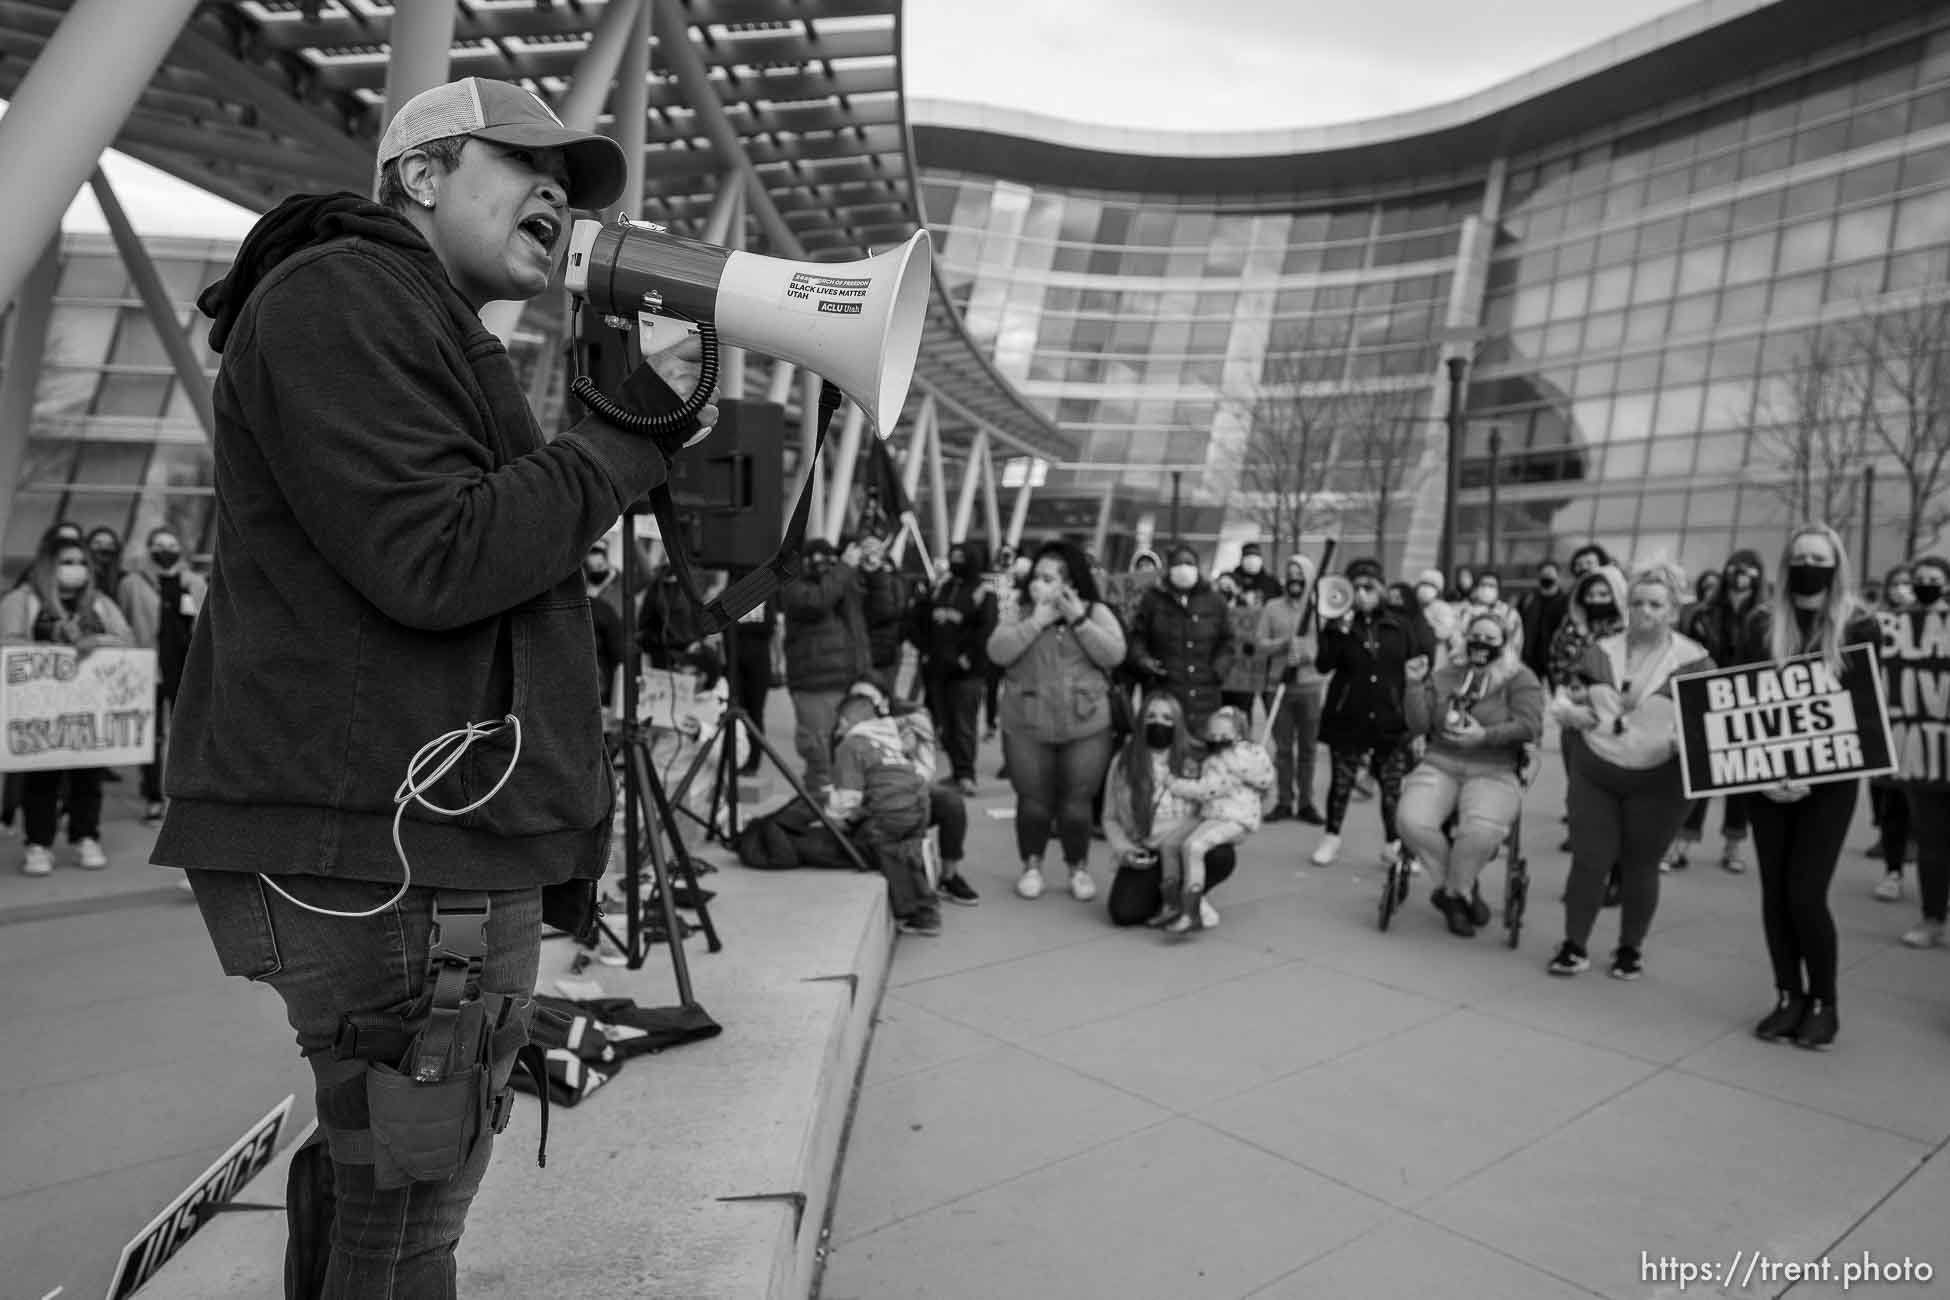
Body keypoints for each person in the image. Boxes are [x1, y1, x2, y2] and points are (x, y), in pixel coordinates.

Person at [151, 77, 703, 1296]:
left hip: (410, 837)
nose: (558, 195)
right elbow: (436, 557)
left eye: (572, 181)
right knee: (406, 1219)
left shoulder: (398, 311)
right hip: (396, 852)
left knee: (382, 1181)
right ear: (419, 174)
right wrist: (626, 439)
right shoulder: (345, 295)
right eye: (525, 164)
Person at [1744, 524, 1880, 1050]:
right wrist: (1767, 774)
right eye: (1799, 556)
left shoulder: (1860, 626)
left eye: (1818, 557)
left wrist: (1811, 775)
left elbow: (1865, 713)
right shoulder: (1762, 624)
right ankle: (1787, 995)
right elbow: (1740, 701)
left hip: (1829, 783)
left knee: (1805, 893)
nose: (1808, 564)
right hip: (1764, 781)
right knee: (1774, 894)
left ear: (1836, 564)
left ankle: (1824, 1000)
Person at [1547, 562, 1712, 980]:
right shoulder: (1601, 650)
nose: (1644, 612)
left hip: (1660, 778)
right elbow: (1572, 695)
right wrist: (1569, 713)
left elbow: (1710, 725)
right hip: (1596, 767)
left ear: (1673, 610)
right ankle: (1574, 944)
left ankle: (1630, 948)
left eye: (1655, 604)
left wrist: (1686, 741)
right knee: (1589, 859)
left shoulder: (1695, 660)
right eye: (1636, 602)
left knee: (1641, 863)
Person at [988, 540, 1127, 902]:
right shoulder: (1019, 611)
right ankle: (1031, 865)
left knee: (1076, 802)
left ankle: (1077, 867)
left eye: (1048, 578)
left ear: (1069, 582)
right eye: (1036, 576)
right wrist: (1037, 621)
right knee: (1033, 800)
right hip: (1027, 722)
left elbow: (1114, 654)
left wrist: (1078, 620)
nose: (1038, 584)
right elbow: (997, 651)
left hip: (1085, 723)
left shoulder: (1095, 611)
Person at [1398, 611, 1545, 938]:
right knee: (1410, 820)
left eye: (1491, 639)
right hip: (1441, 761)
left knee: (1481, 831)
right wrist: (1412, 685)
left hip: (1494, 767)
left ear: (1505, 643)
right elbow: (1420, 724)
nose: (1481, 644)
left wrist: (1486, 736)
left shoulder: (1520, 678)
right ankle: (1461, 890)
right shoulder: (1446, 674)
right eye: (1475, 636)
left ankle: (1451, 894)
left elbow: (1530, 726)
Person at [0, 530, 135, 874]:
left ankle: (86, 835)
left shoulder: (101, 604)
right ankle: (38, 844)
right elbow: (7, 644)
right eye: (66, 563)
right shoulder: (25, 600)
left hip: (88, 712)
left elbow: (126, 641)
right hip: (42, 712)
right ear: (48, 566)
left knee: (88, 778)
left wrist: (96, 641)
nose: (75, 569)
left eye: (80, 563)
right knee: (42, 779)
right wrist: (54, 646)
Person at [1311, 558, 1431, 867]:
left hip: (1389, 717)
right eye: (1357, 587)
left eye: (1369, 587)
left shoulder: (1398, 624)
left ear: (1379, 589)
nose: (1363, 593)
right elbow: (1324, 664)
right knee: (1341, 781)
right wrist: (1336, 629)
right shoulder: (1337, 623)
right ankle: (1331, 837)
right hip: (1348, 713)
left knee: (1392, 787)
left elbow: (1417, 658)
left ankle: (1395, 844)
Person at [1666, 548, 1768, 873]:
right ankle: (1680, 843)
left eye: (1750, 568)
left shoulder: (1767, 617)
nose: (1741, 574)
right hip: (1707, 698)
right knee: (1700, 774)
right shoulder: (1705, 614)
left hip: (1748, 701)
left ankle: (1733, 846)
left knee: (1740, 779)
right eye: (1736, 567)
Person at [1103, 691, 1237, 929]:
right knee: (1123, 913)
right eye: (1151, 716)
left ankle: (1190, 896)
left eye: (1167, 717)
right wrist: (1125, 850)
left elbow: (1222, 796)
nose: (1159, 723)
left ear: (1178, 722)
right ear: (1141, 720)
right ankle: (1169, 898)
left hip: (1187, 848)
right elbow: (1110, 817)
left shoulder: (1199, 759)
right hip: (1148, 850)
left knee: (1222, 856)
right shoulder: (1123, 761)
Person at [826, 692, 942, 936]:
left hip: (891, 812)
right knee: (904, 843)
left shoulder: (850, 745)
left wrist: (834, 818)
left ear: (845, 722)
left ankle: (919, 912)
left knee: (880, 847)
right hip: (919, 804)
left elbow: (849, 798)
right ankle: (918, 859)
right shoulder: (891, 738)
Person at [1149, 704, 1272, 934]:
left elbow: (1208, 789)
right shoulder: (1248, 756)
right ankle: (1171, 901)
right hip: (1217, 814)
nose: (1216, 738)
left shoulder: (1225, 761)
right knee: (1170, 844)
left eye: (1222, 735)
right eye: (1212, 734)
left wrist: (1173, 783)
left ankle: (1190, 910)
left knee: (1193, 846)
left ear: (1237, 734)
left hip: (1233, 818)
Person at [117, 525, 207, 824]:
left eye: (171, 543)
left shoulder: (194, 581)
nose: (166, 549)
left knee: (184, 734)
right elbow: (124, 623)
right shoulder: (132, 583)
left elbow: (206, 622)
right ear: (150, 548)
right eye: (159, 544)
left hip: (186, 667)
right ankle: (153, 794)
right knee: (152, 735)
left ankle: (182, 794)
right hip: (148, 667)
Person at [1887, 553, 1950, 951]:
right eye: (1920, 579)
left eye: (1935, 579)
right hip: (1921, 755)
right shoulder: (1895, 631)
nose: (1926, 585)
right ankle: (1931, 917)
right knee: (1931, 841)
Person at [781, 536, 870, 799]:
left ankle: (843, 812)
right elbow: (816, 602)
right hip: (815, 684)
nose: (824, 566)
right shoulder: (794, 586)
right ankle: (818, 814)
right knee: (819, 754)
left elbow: (865, 622)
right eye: (818, 560)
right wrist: (843, 570)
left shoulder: (841, 584)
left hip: (849, 681)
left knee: (850, 753)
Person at [909, 540, 996, 795]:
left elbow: (986, 630)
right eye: (953, 556)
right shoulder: (940, 589)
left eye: (961, 557)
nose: (956, 562)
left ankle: (966, 776)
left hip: (967, 673)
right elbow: (919, 620)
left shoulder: (983, 592)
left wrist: (968, 658)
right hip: (937, 669)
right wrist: (925, 649)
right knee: (944, 724)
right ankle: (956, 773)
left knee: (963, 725)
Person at [1129, 543, 1233, 731]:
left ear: (1197, 567)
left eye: (1189, 563)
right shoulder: (1152, 600)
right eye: (1179, 563)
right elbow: (1137, 637)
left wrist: (1219, 670)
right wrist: (1143, 660)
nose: (1184, 568)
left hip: (1205, 693)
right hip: (1164, 692)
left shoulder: (1215, 601)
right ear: (1169, 568)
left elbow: (1227, 641)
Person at [1257, 558, 1326, 824]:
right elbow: (1260, 643)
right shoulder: (1272, 608)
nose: (1294, 579)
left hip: (1309, 687)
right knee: (1283, 749)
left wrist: (1306, 654)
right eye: (1290, 573)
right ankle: (1284, 800)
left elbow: (1325, 646)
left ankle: (1306, 802)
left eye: (1300, 574)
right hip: (1279, 687)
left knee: (1308, 748)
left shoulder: (1320, 610)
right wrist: (1283, 645)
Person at [1869, 564, 1916, 901]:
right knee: (1892, 802)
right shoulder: (1876, 625)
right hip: (1889, 725)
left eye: (1908, 584)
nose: (1902, 590)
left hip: (1929, 732)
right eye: (1896, 583)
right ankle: (1893, 869)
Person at [854, 533, 909, 695]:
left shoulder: (890, 579)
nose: (870, 558)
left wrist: (876, 576)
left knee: (884, 696)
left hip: (885, 651)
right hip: (858, 651)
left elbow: (887, 611)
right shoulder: (853, 578)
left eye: (874, 552)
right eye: (866, 552)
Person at [1517, 559, 1570, 685]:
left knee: (1558, 693)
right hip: (1531, 657)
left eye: (1550, 574)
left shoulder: (1566, 601)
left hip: (1556, 657)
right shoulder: (1528, 600)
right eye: (1544, 574)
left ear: (1558, 576)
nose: (1547, 577)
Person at [1219, 583, 1267, 715]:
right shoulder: (1212, 609)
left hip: (1243, 679)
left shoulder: (1248, 610)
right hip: (1219, 679)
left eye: (1229, 584)